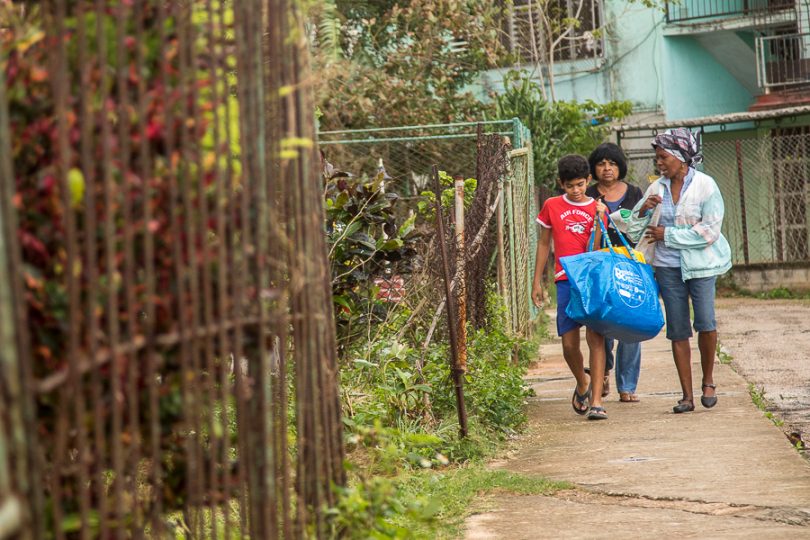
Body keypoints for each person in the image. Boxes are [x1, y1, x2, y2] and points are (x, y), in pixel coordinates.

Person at [625, 128, 732, 414]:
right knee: (677, 329)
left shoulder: (706, 185)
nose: (659, 163)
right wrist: (643, 210)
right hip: (666, 268)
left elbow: (709, 230)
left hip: (700, 266)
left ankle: (708, 381)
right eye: (657, 158)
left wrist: (669, 235)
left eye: (663, 157)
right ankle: (687, 395)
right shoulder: (655, 188)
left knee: (706, 323)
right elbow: (635, 230)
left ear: (680, 158)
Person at [531, 154, 609, 420]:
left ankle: (597, 401)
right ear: (560, 184)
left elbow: (597, 248)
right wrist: (537, 281)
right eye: (569, 186)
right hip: (565, 280)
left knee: (596, 339)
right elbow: (544, 244)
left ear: (588, 180)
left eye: (580, 184)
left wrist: (599, 220)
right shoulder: (552, 206)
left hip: (592, 281)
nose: (576, 191)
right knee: (568, 345)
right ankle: (582, 382)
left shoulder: (598, 208)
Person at [586, 143, 644, 403]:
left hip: (630, 265)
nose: (607, 168)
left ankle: (627, 385)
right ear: (594, 169)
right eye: (601, 163)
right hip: (599, 265)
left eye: (611, 163)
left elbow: (642, 227)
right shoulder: (587, 195)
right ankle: (604, 371)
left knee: (631, 321)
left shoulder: (635, 193)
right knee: (603, 322)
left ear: (620, 166)